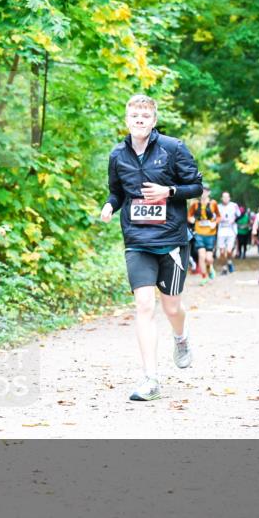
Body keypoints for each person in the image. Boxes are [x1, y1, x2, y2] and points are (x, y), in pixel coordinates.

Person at [100, 94, 203, 401]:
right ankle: (151, 379)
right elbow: (117, 192)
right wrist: (109, 205)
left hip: (171, 240)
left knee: (171, 308)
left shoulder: (173, 148)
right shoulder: (118, 155)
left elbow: (196, 187)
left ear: (154, 121)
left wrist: (168, 191)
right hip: (138, 242)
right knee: (144, 306)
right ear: (127, 120)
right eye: (135, 116)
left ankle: (180, 337)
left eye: (145, 116)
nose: (140, 120)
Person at [187, 189, 219, 285]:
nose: (204, 193)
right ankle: (204, 276)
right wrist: (191, 219)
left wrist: (215, 223)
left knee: (209, 258)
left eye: (206, 191)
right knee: (201, 255)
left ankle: (209, 267)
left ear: (209, 192)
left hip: (210, 234)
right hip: (199, 233)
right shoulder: (195, 204)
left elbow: (218, 216)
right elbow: (189, 216)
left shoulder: (213, 203)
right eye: (202, 191)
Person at [216, 191, 241, 274]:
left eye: (227, 197)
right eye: (224, 197)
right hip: (221, 230)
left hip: (231, 230)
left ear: (229, 198)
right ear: (221, 198)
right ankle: (224, 268)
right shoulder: (218, 207)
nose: (225, 198)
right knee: (222, 252)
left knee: (229, 251)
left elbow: (239, 215)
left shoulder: (234, 205)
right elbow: (214, 217)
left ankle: (229, 262)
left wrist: (234, 219)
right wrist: (219, 219)